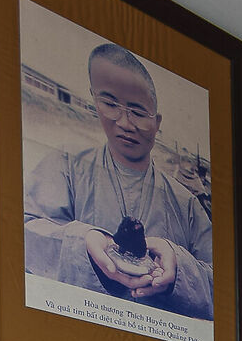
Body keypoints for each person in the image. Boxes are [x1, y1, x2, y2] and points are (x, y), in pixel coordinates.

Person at [23, 42, 213, 321]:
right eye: (110, 104)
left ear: (157, 122)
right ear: (95, 102)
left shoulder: (186, 203)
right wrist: (83, 242)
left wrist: (179, 268)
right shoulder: (65, 166)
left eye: (138, 112)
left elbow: (225, 289)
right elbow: (22, 237)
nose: (125, 122)